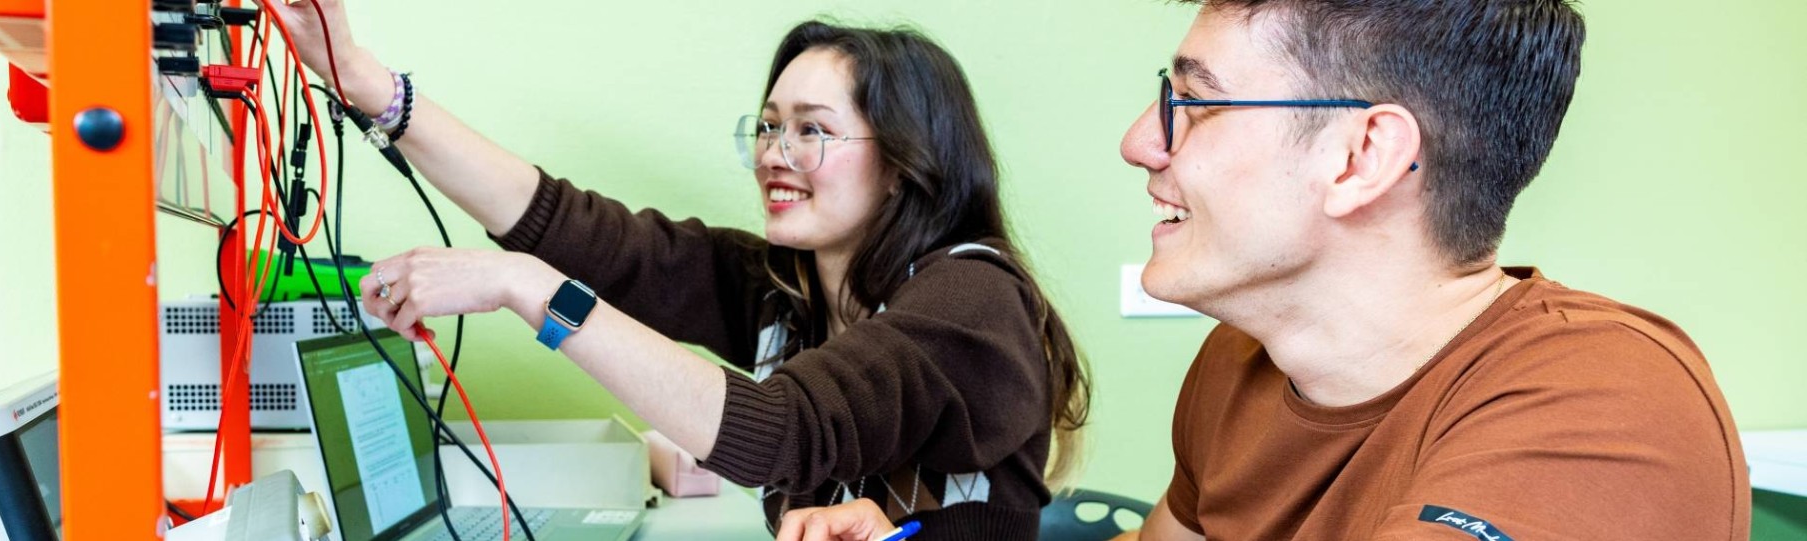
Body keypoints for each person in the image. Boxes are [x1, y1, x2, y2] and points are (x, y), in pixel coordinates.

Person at [774, 1, 1751, 540]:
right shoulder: (1240, 365)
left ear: (1359, 157)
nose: (1136, 142)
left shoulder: (1610, 408)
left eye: (1191, 103)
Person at [271, 2, 1092, 537]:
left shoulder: (972, 301)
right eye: (769, 126)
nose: (776, 153)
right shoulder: (793, 288)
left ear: (907, 160)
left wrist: (523, 286)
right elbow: (575, 229)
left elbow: (777, 431)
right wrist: (368, 85)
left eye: (813, 131)